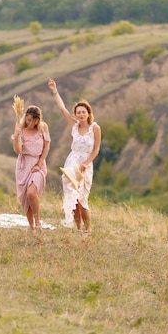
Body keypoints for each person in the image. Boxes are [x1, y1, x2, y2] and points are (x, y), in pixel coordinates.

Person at [47, 77, 101, 235]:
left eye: (84, 112)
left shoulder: (95, 128)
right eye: (79, 112)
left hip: (85, 164)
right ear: (76, 115)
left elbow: (96, 149)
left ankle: (88, 229)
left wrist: (86, 163)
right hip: (72, 162)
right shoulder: (74, 126)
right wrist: (55, 91)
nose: (81, 114)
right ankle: (78, 228)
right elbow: (62, 109)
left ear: (88, 113)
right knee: (74, 198)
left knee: (83, 198)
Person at [12, 105, 51, 234]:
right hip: (24, 165)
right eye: (28, 120)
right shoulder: (20, 128)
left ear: (38, 120)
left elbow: (46, 146)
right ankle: (31, 226)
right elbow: (18, 150)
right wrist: (17, 135)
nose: (30, 123)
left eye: (33, 121)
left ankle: (38, 222)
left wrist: (39, 164)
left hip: (38, 164)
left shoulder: (43, 127)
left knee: (31, 193)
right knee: (25, 197)